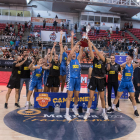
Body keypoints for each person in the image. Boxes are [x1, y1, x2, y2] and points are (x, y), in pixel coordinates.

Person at [84, 40, 110, 120]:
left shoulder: (104, 60)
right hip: (94, 79)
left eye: (102, 53)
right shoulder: (94, 60)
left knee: (102, 98)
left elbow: (98, 53)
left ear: (103, 55)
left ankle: (104, 113)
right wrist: (89, 44)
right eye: (100, 53)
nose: (100, 53)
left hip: (101, 80)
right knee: (91, 97)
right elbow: (91, 52)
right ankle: (87, 112)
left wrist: (93, 45)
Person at [65, 41, 83, 121]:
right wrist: (76, 45)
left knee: (76, 96)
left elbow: (81, 52)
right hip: (71, 80)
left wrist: (82, 45)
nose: (73, 54)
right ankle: (67, 114)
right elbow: (71, 52)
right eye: (72, 54)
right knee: (69, 97)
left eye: (74, 54)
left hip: (78, 80)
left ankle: (74, 108)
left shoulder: (78, 59)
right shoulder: (69, 61)